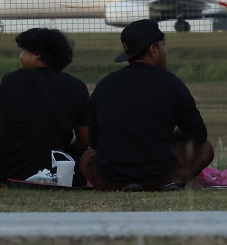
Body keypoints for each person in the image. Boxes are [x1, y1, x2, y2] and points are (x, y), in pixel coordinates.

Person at [81, 19, 214, 191]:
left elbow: (96, 142)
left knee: (87, 156)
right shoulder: (172, 83)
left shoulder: (104, 85)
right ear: (153, 50)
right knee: (206, 148)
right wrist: (173, 138)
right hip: (160, 174)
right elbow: (199, 135)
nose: (165, 51)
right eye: (163, 45)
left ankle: (129, 185)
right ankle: (169, 181)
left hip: (112, 178)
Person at [0, 28, 91, 187]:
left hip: (1, 173)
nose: (20, 56)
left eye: (24, 50)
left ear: (37, 54)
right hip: (53, 173)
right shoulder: (77, 87)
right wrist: (66, 149)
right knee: (89, 156)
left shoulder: (9, 81)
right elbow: (84, 140)